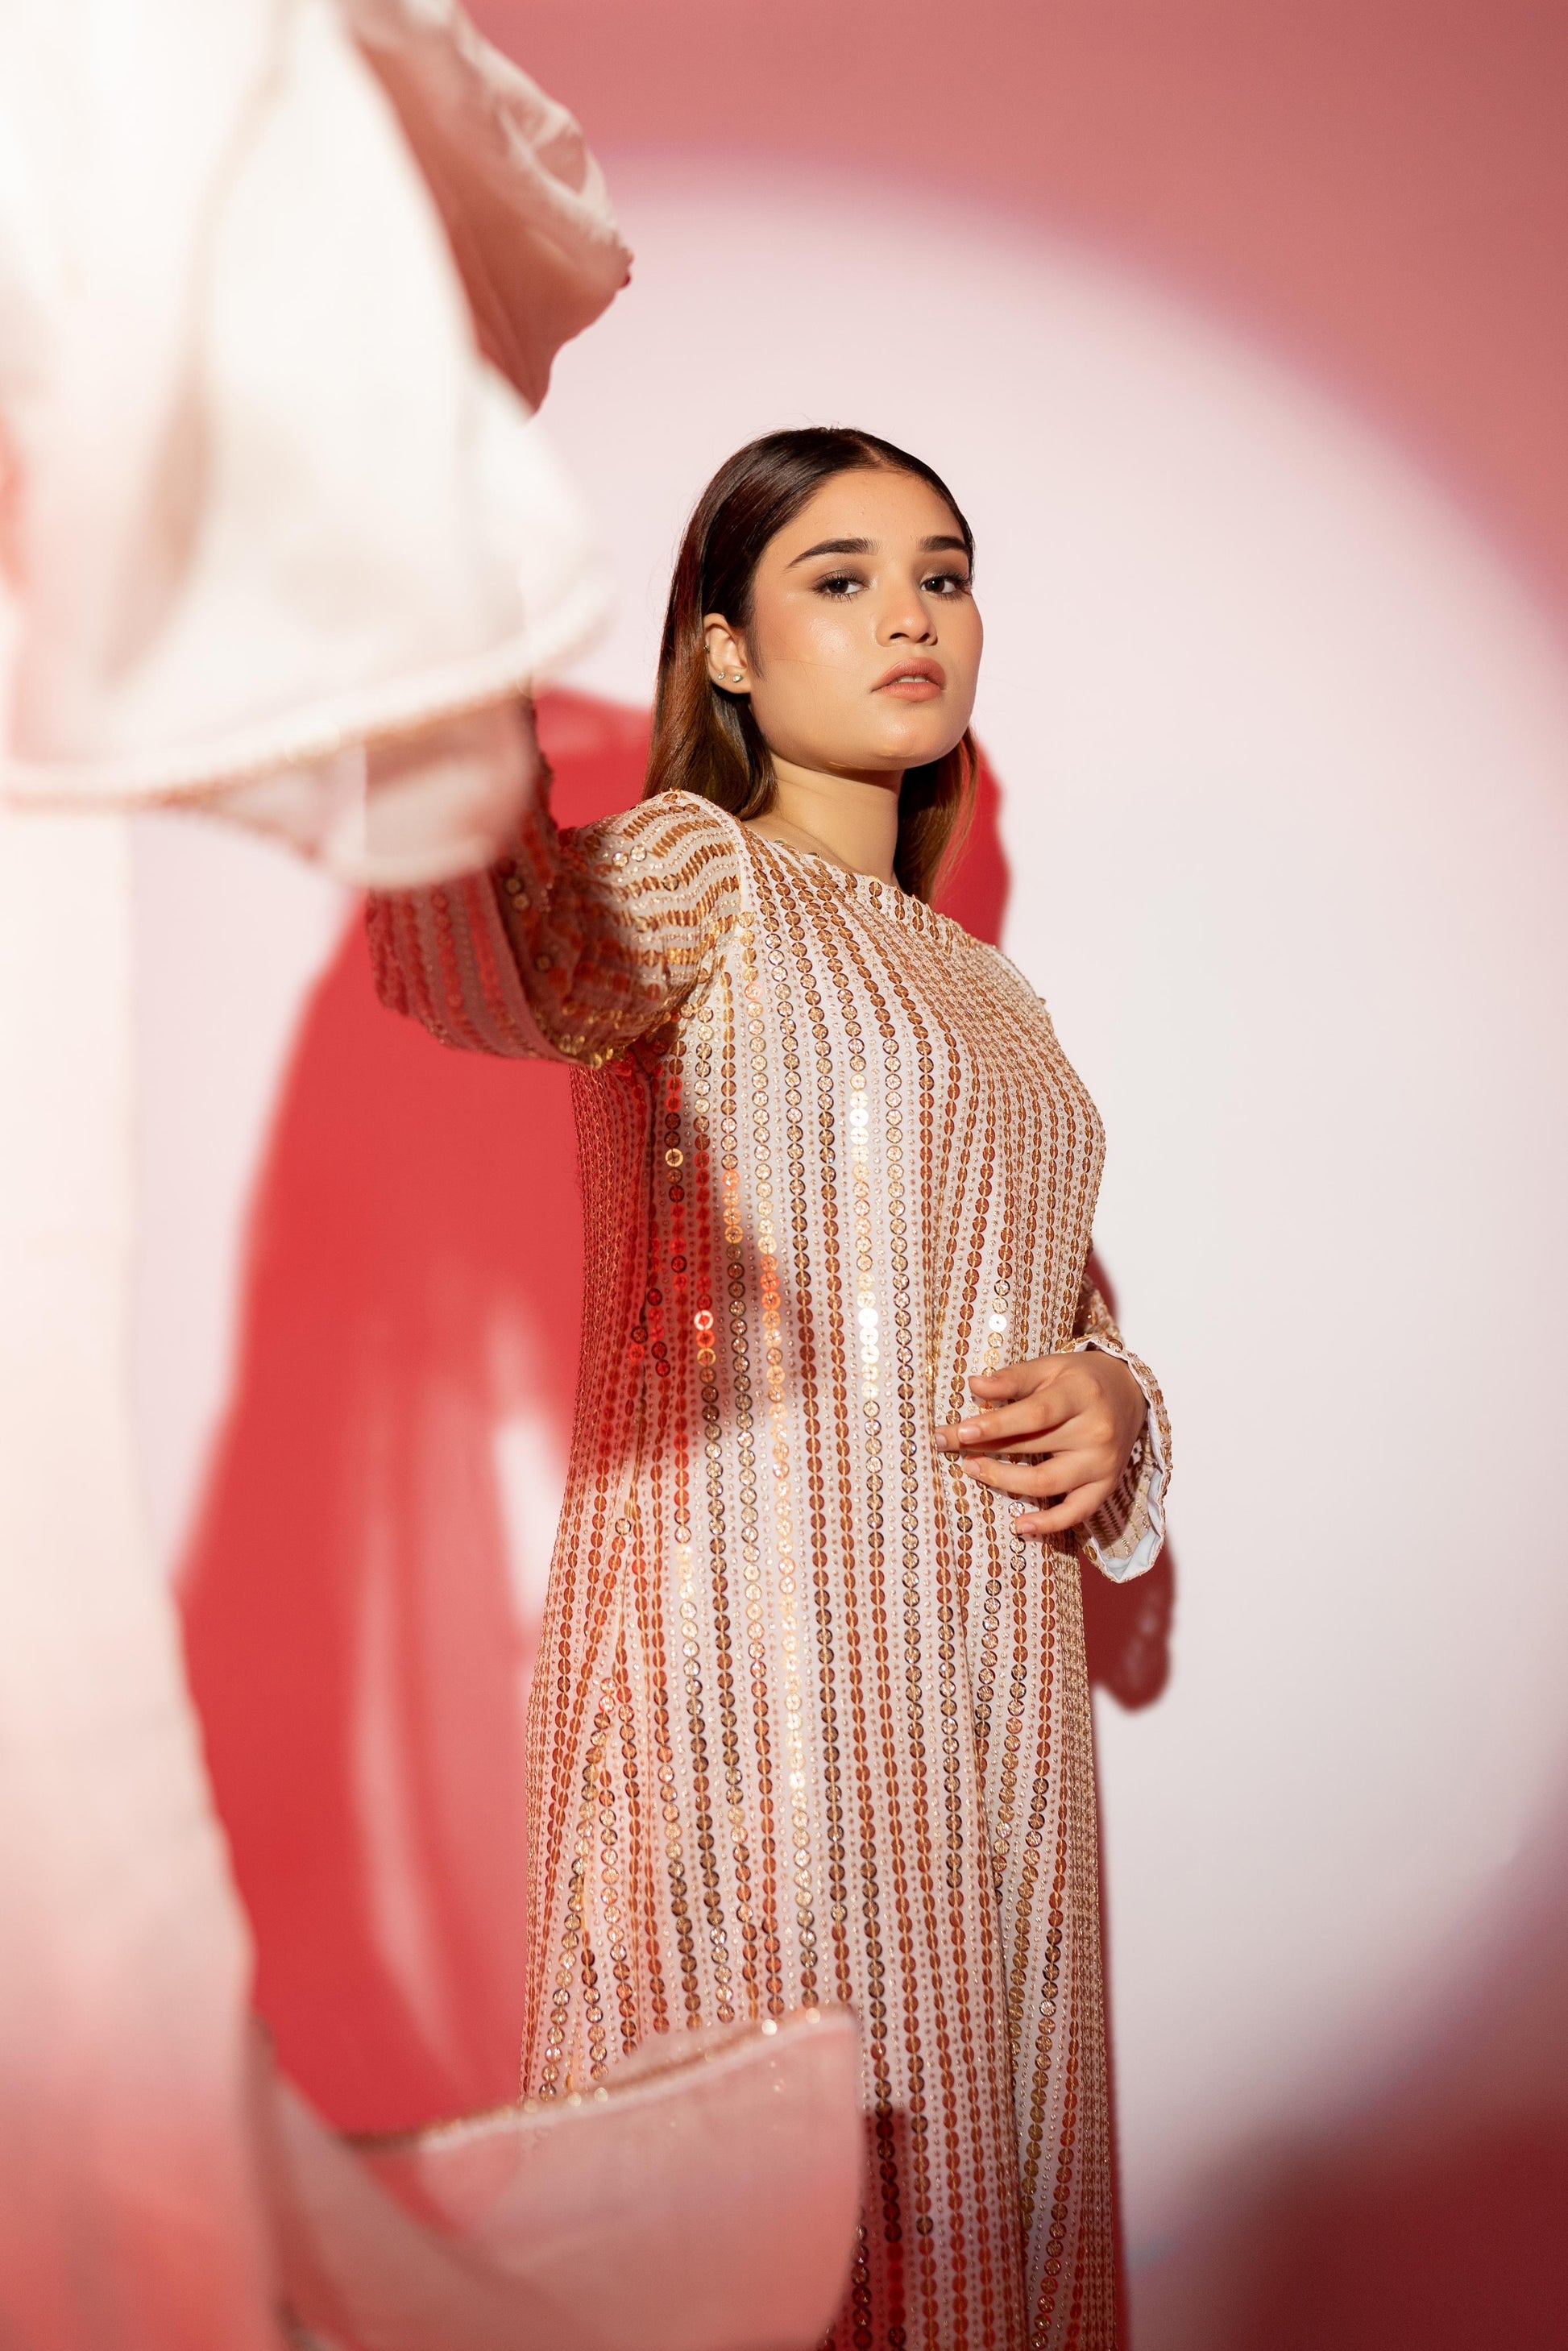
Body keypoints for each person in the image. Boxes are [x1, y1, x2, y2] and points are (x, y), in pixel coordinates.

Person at [369, 425, 1171, 2351]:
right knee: (750, 2224)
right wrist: (443, 601)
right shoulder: (699, 871)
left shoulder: (1001, 999)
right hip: (747, 1690)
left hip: (987, 1724)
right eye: (841, 576)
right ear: (724, 649)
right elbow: (486, 961)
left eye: (943, 575)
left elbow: (1046, 1302)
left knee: (984, 2206)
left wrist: (1118, 1402)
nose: (911, 615)